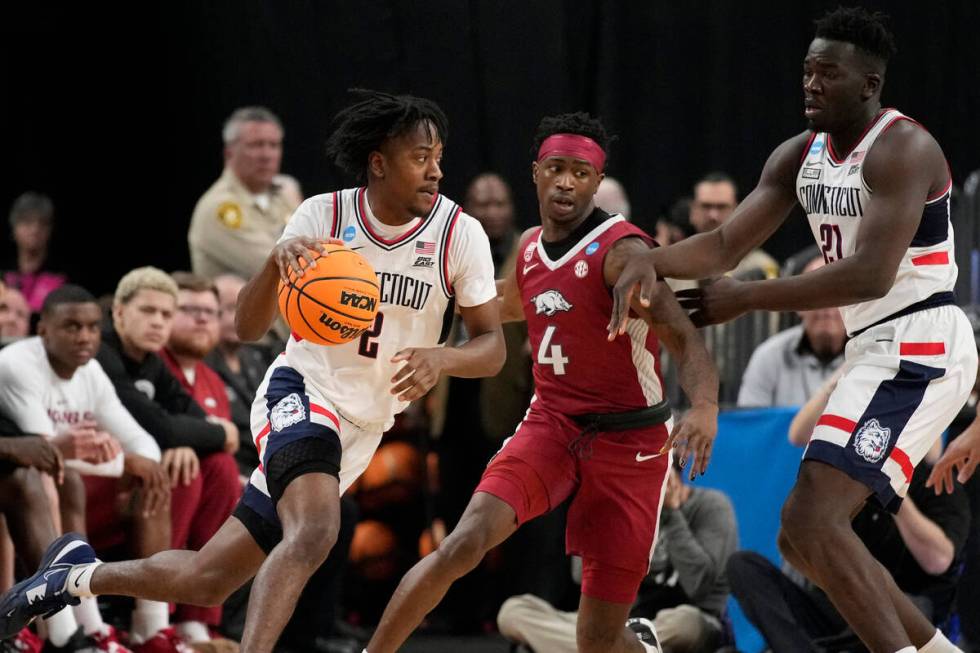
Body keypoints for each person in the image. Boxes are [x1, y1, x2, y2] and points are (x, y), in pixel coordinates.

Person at [0, 90, 505, 653]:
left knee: (209, 578)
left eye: (439, 156)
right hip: (303, 392)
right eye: (420, 156)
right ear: (379, 162)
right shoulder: (322, 216)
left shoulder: (460, 235)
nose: (436, 170)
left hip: (367, 424)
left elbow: (491, 348)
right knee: (315, 531)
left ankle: (70, 576)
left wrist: (443, 357)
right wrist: (274, 261)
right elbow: (244, 325)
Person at [609, 8, 977, 653]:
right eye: (807, 71)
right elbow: (723, 244)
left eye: (827, 74)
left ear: (869, 84)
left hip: (923, 341)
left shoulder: (903, 148)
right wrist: (645, 256)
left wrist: (747, 298)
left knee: (814, 520)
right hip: (877, 347)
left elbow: (867, 275)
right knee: (800, 538)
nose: (810, 84)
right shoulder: (797, 156)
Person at [365, 112, 718, 653]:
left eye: (581, 172)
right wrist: (401, 298)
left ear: (598, 183)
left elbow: (684, 338)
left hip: (631, 444)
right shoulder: (530, 246)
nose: (566, 182)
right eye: (556, 168)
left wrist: (704, 406)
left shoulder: (623, 253)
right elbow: (503, 301)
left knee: (595, 640)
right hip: (552, 424)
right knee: (462, 543)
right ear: (535, 173)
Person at [729, 378, 970, 652]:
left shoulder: (935, 478)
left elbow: (939, 561)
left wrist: (894, 498)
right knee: (751, 561)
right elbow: (797, 435)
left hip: (908, 605)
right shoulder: (850, 467)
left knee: (903, 603)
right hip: (843, 599)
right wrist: (838, 382)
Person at [0, 285, 170, 653]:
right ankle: (68, 630)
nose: (85, 337)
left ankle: (153, 631)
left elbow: (144, 443)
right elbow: (42, 454)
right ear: (42, 328)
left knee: (155, 479)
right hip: (41, 485)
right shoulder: (16, 364)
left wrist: (139, 463)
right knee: (60, 479)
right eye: (72, 327)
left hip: (67, 488)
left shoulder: (91, 370)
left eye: (93, 327)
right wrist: (123, 462)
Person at [497, 463, 737, 653]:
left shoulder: (710, 506)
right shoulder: (627, 508)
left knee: (685, 624)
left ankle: (599, 649)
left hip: (685, 621)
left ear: (671, 478)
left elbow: (700, 587)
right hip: (621, 625)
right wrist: (603, 515)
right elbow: (581, 577)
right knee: (514, 611)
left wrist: (671, 515)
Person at [188, 107, 301, 283]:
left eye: (274, 145)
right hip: (234, 309)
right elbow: (284, 265)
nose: (266, 155)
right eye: (256, 145)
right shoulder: (219, 207)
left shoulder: (283, 194)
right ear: (229, 153)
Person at [737, 256, 846, 407]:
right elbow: (751, 424)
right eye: (816, 294)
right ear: (799, 305)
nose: (826, 305)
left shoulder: (868, 355)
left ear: (852, 305)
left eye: (836, 294)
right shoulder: (768, 355)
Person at [206, 274, 273, 476]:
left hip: (272, 461)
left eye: (242, 308)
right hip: (235, 469)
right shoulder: (200, 364)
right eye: (227, 308)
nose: (236, 317)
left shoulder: (258, 357)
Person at [688, 173, 778, 280]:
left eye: (722, 207)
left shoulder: (761, 267)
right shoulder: (675, 265)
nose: (713, 215)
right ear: (692, 210)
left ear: (736, 210)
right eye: (706, 206)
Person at [3, 192, 66, 314]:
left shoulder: (61, 276)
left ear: (50, 230)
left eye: (42, 223)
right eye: (27, 222)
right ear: (14, 228)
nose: (35, 230)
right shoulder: (3, 273)